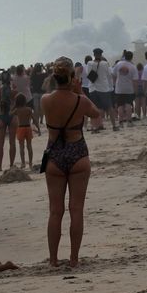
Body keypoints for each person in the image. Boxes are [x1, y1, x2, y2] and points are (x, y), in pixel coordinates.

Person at [40, 57, 100, 267]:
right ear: (73, 78)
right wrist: (80, 91)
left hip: (54, 154)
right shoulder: (80, 100)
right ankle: (74, 258)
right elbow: (96, 114)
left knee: (55, 211)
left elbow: (50, 95)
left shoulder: (45, 100)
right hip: (77, 153)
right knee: (76, 209)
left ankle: (54, 259)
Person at [87, 48, 117, 131]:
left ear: (94, 55)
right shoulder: (105, 64)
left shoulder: (89, 63)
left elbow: (88, 75)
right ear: (101, 55)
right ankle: (114, 126)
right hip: (104, 88)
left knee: (96, 109)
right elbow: (108, 76)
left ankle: (96, 127)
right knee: (109, 107)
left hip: (93, 88)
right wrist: (111, 87)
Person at [0, 72, 16, 171]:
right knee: (12, 142)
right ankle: (11, 165)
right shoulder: (13, 90)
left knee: (0, 143)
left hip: (2, 115)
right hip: (12, 115)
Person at [112, 50, 139, 127]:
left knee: (120, 105)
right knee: (128, 105)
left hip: (119, 88)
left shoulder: (118, 64)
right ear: (131, 57)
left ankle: (120, 122)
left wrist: (115, 84)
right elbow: (135, 80)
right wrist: (135, 90)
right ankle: (129, 122)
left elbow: (113, 75)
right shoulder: (133, 66)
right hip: (129, 89)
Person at [12, 95, 35, 169]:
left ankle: (23, 163)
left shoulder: (17, 110)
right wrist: (38, 128)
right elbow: (34, 119)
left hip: (21, 128)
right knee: (29, 146)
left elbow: (10, 113)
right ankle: (30, 163)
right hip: (28, 127)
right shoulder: (29, 109)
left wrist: (14, 106)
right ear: (25, 101)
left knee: (21, 147)